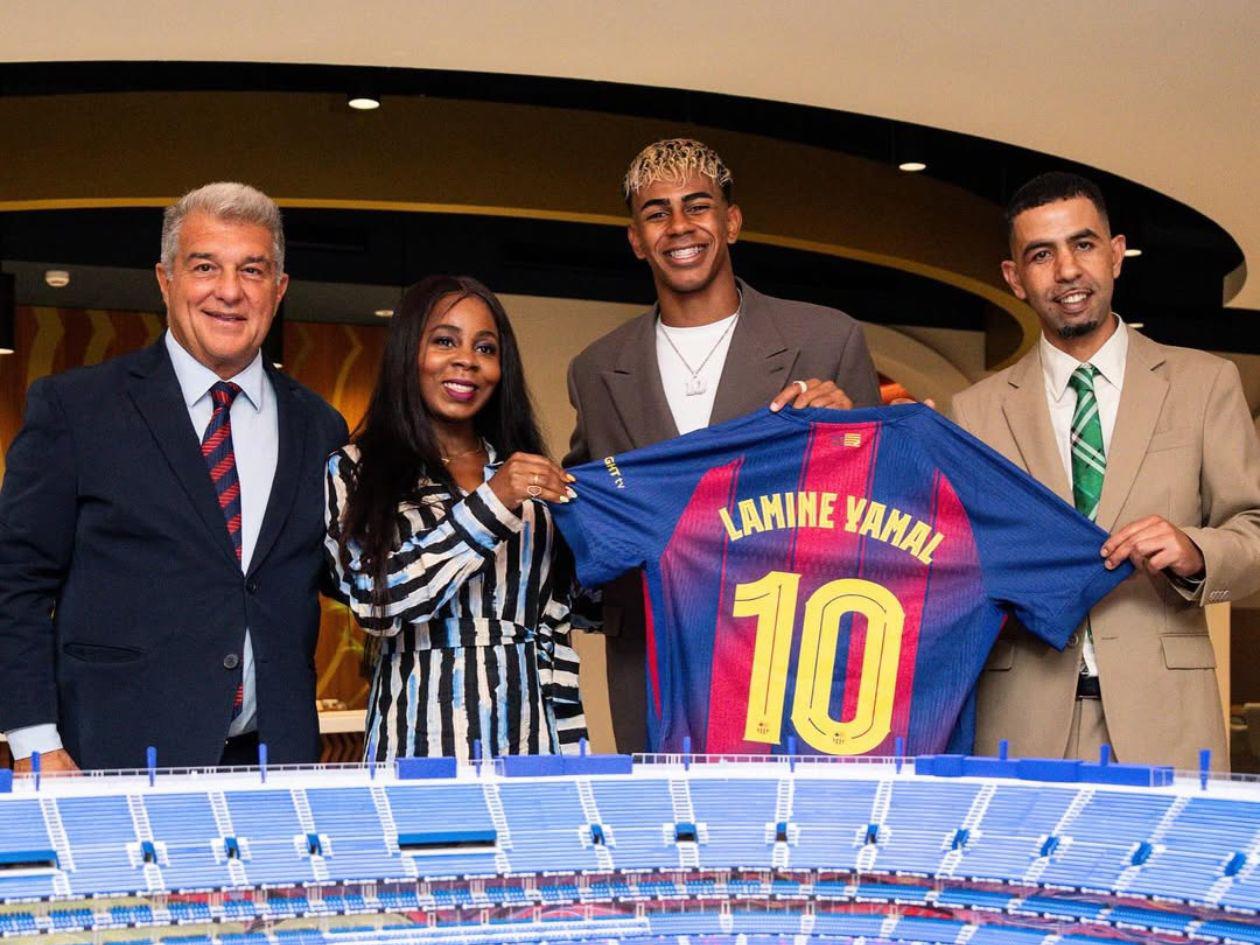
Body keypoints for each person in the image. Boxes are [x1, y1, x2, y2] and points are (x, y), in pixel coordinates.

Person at [0, 182, 349, 771]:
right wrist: (36, 745)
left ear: (279, 288)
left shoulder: (321, 426)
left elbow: (349, 573)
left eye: (252, 270)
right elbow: (15, 583)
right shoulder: (76, 409)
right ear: (165, 280)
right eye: (205, 266)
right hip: (107, 762)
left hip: (275, 767)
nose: (229, 291)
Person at [566, 137, 882, 752]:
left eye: (697, 206)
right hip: (652, 661)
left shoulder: (826, 339)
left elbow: (884, 503)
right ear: (636, 239)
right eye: (656, 213)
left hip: (797, 658)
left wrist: (855, 435)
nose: (679, 226)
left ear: (731, 222)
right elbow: (590, 510)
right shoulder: (596, 368)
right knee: (664, 814)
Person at [951, 171, 1260, 769]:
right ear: (1015, 278)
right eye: (1042, 255)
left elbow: (1253, 532)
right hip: (1021, 719)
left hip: (1167, 718)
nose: (1067, 270)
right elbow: (958, 569)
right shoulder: (975, 411)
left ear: (1116, 255)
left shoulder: (1205, 384)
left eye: (1084, 244)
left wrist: (1196, 551)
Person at [325, 275, 586, 763]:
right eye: (445, 341)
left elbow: (568, 617)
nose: (467, 359)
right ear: (409, 353)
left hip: (533, 748)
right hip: (418, 750)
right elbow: (376, 602)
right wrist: (493, 501)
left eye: (485, 348)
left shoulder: (528, 477)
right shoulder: (356, 469)